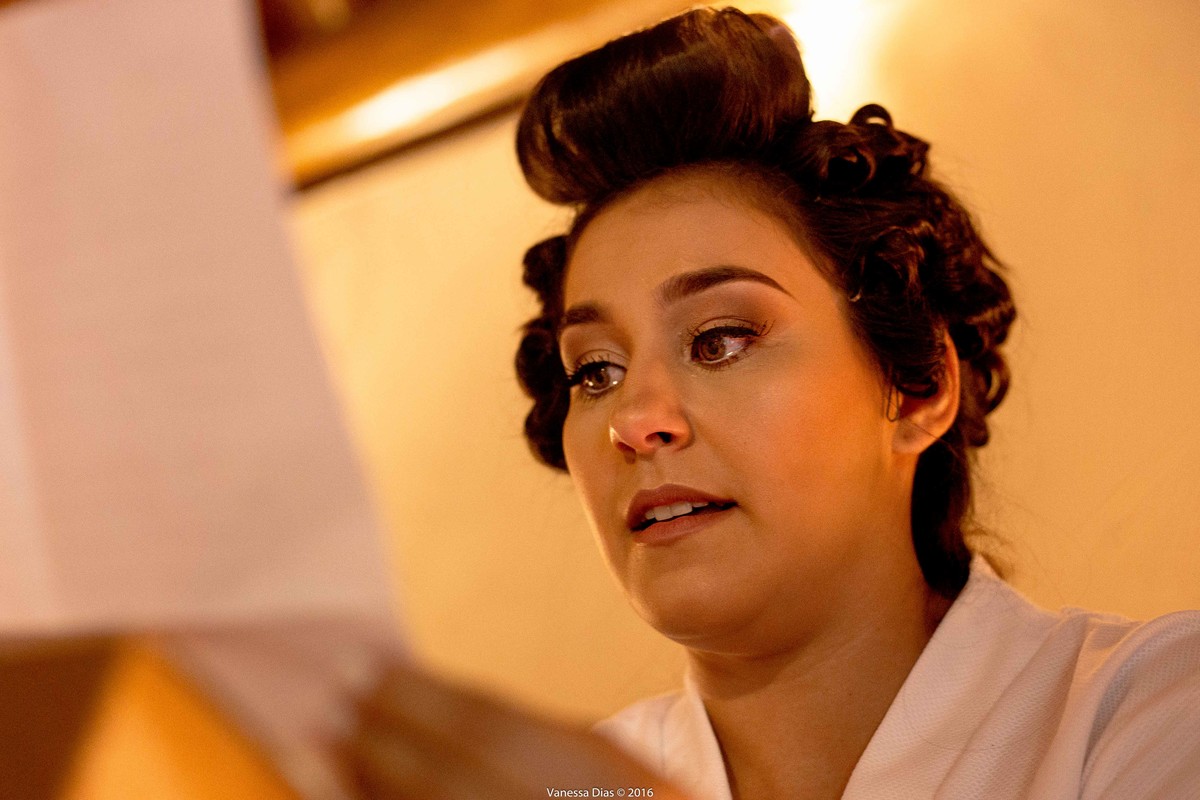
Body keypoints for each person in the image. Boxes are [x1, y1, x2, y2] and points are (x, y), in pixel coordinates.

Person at [345, 7, 1200, 799]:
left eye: (720, 340)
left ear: (919, 388)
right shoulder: (578, 785)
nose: (634, 421)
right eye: (596, 371)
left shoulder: (1148, 714)